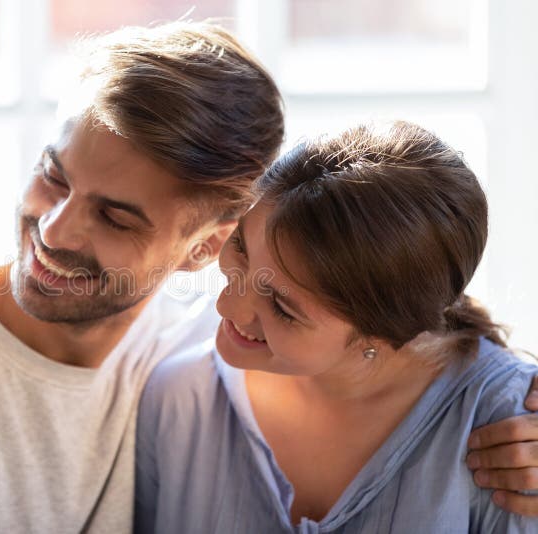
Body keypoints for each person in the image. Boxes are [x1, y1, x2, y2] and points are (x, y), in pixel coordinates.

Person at [0, 22, 538, 534]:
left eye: (118, 219)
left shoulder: (204, 353)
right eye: (54, 175)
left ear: (211, 246)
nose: (53, 230)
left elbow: (377, 300)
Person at [134, 122, 538, 532]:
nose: (227, 305)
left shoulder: (509, 432)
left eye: (282, 307)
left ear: (381, 334)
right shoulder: (180, 399)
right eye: (241, 247)